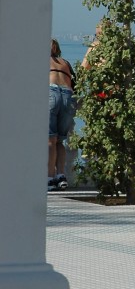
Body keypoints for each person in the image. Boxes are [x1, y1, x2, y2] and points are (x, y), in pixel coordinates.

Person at [49, 38, 76, 190]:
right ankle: (61, 176)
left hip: (51, 93)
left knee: (50, 140)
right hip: (67, 94)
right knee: (60, 140)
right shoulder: (65, 62)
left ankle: (49, 178)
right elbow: (75, 83)